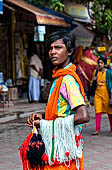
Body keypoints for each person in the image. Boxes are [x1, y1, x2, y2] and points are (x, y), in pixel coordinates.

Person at [22, 30, 90, 170]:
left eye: (58, 47)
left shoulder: (67, 80)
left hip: (63, 153)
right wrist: (44, 115)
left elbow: (83, 116)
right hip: (59, 150)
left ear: (70, 51)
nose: (53, 52)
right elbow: (62, 110)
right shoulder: (59, 77)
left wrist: (45, 124)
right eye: (50, 48)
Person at [92, 56, 112, 135]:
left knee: (109, 112)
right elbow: (92, 82)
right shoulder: (96, 72)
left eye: (101, 63)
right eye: (99, 63)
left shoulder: (109, 73)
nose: (99, 64)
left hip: (106, 94)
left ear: (104, 64)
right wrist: (93, 80)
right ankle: (97, 130)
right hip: (97, 94)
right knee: (98, 111)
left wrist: (111, 96)